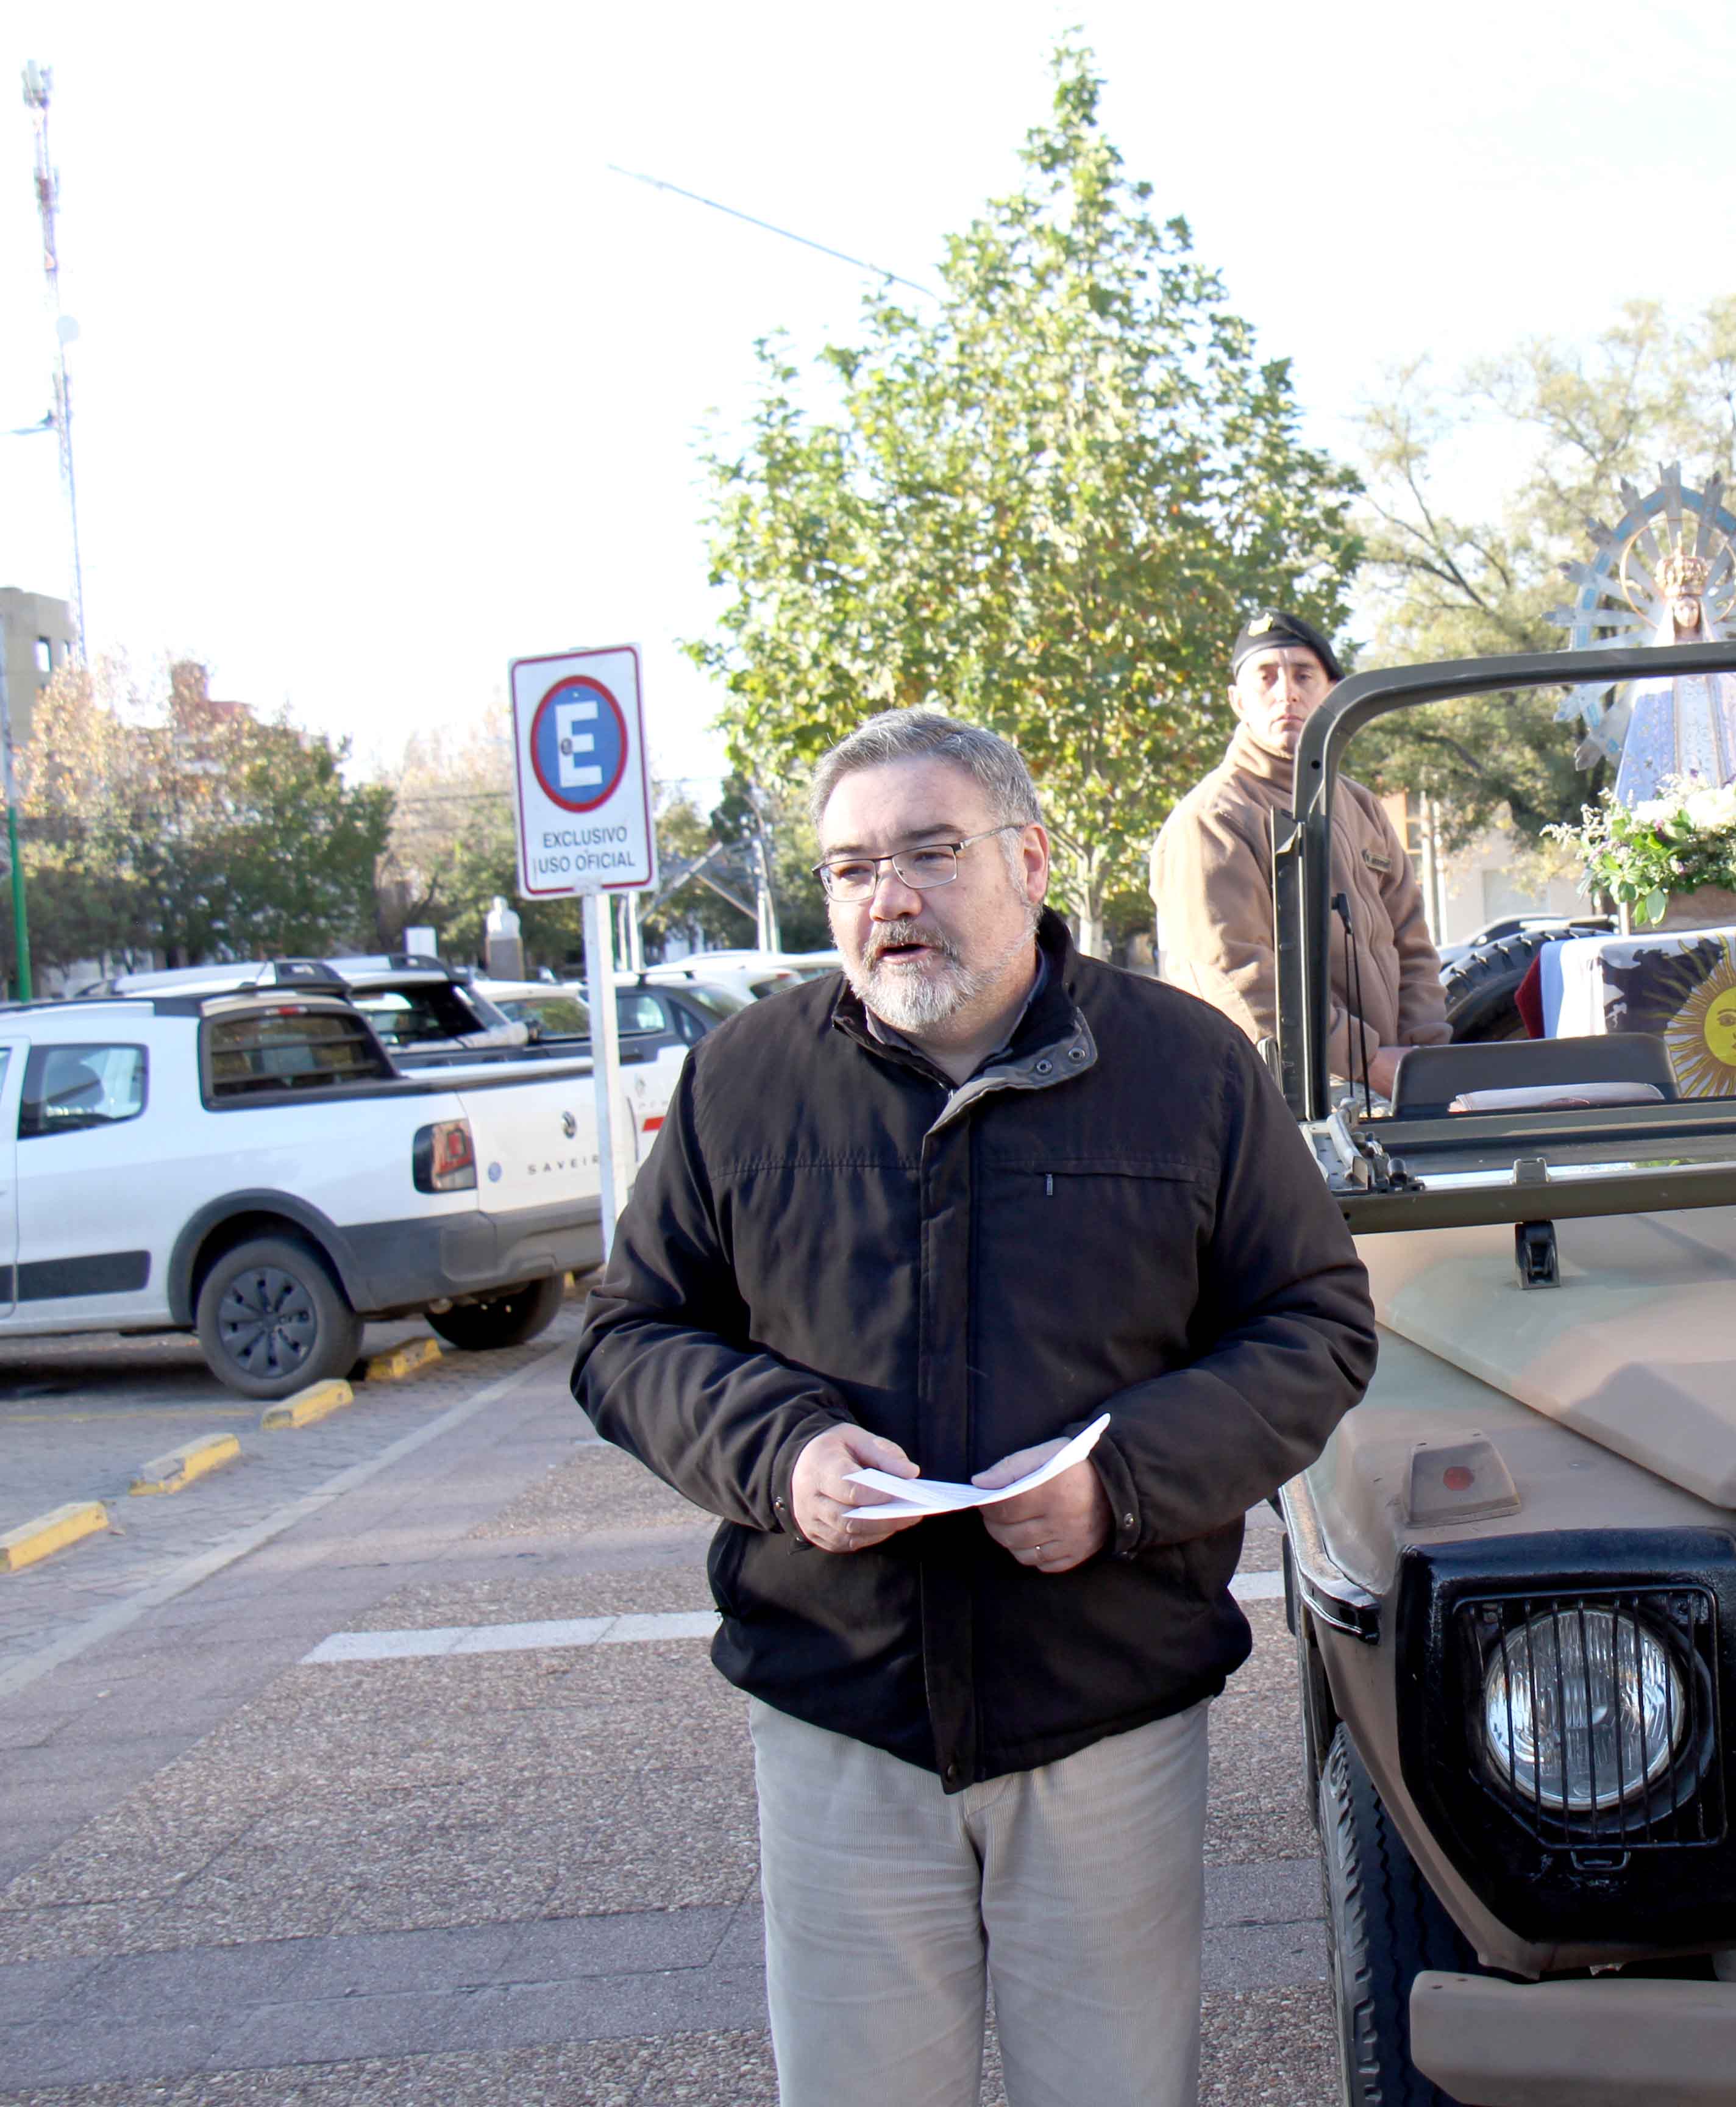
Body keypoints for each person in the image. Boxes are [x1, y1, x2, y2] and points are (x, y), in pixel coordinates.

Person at [572, 708, 1376, 2107]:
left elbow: (1315, 1326)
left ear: (1030, 857)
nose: (888, 897)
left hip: (1102, 1711)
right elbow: (630, 1334)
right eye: (849, 867)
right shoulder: (743, 1081)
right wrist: (782, 1454)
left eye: (930, 852)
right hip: (841, 1719)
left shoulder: (1187, 1071)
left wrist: (1118, 1484)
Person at [1151, 611, 1448, 1099]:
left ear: (1331, 692)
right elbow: (1236, 979)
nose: (1285, 692)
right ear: (1238, 701)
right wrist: (1365, 1061)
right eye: (1265, 677)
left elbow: (1412, 945)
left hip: (1386, 1088)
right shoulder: (1214, 819)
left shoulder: (1360, 806)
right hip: (1282, 1098)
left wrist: (1422, 1061)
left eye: (1303, 675)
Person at [1611, 548, 1736, 802]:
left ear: (1701, 611)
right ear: (1673, 613)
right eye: (1682, 608)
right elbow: (1650, 705)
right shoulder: (1662, 656)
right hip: (1676, 727)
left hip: (1711, 725)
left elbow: (1733, 697)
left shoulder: (1714, 652)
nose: (1688, 614)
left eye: (1692, 608)